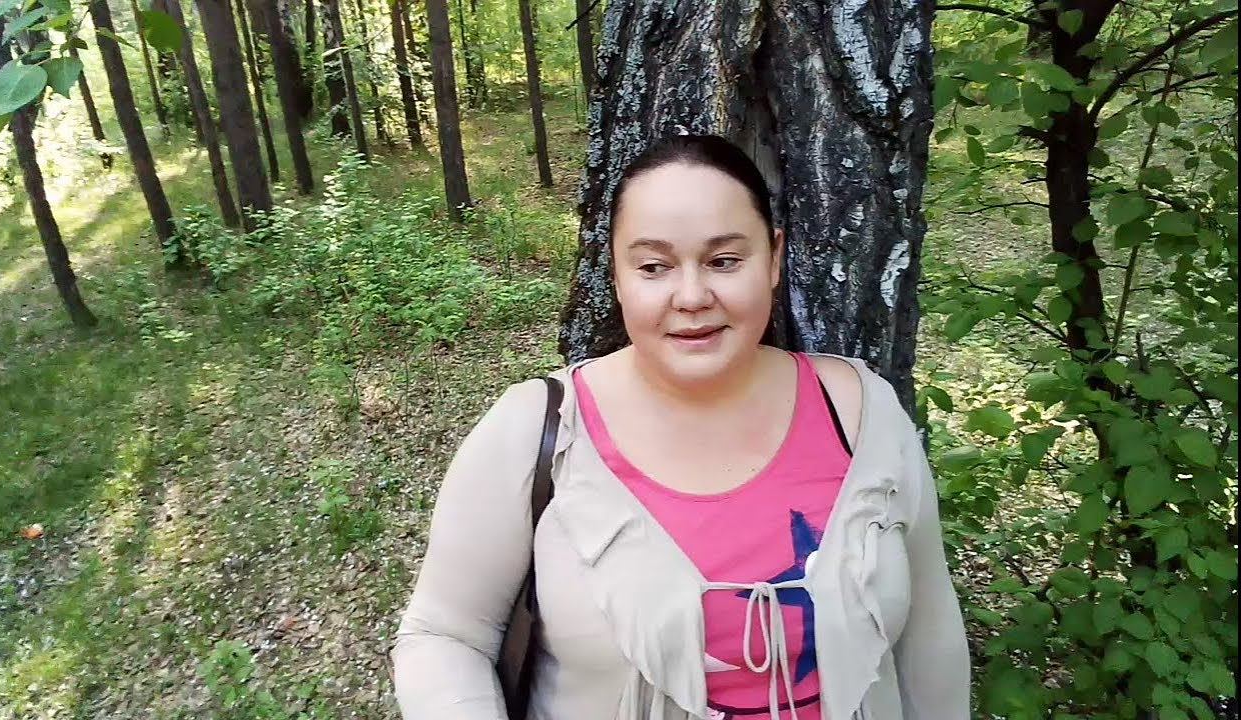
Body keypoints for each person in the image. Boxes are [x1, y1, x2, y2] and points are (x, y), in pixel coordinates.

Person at [391, 135, 970, 720]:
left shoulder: (862, 413)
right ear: (615, 275)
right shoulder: (537, 431)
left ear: (773, 259)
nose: (692, 296)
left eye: (724, 261)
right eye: (653, 267)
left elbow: (929, 629)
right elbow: (445, 636)